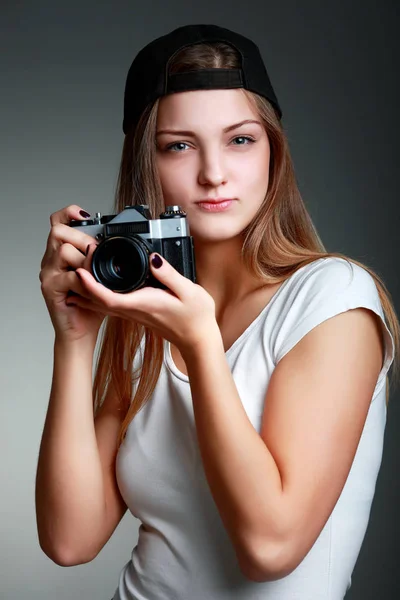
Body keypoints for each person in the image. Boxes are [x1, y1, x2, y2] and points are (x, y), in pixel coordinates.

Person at [35, 24, 399, 600]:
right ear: (146, 163)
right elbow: (69, 540)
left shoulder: (329, 298)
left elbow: (270, 548)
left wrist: (202, 345)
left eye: (240, 140)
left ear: (274, 149)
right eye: (179, 145)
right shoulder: (148, 322)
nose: (213, 173)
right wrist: (74, 337)